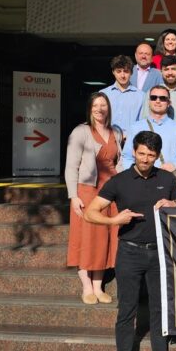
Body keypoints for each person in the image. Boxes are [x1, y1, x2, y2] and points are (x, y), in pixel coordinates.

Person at [83, 131, 176, 351]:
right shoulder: (119, 181)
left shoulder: (166, 178)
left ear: (157, 155)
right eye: (141, 153)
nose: (145, 159)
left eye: (151, 155)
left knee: (159, 307)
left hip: (160, 253)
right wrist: (113, 220)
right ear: (134, 152)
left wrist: (173, 205)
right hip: (129, 252)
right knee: (126, 309)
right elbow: (91, 213)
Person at [65, 92, 123, 305]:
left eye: (103, 105)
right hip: (87, 190)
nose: (100, 109)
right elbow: (71, 166)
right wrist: (73, 196)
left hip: (111, 192)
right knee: (87, 236)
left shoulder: (115, 131)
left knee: (105, 237)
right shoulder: (80, 131)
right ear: (90, 108)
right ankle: (86, 286)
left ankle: (98, 286)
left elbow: (119, 161)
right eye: (96, 105)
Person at [122, 86, 176, 174]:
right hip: (140, 179)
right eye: (153, 97)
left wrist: (174, 165)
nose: (158, 101)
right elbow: (127, 156)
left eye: (162, 98)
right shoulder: (135, 127)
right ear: (149, 102)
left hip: (167, 178)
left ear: (169, 103)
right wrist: (134, 173)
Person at [100, 55, 145, 132]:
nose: (122, 75)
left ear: (131, 73)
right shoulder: (103, 94)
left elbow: (142, 123)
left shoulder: (141, 96)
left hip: (131, 140)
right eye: (119, 71)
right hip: (107, 139)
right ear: (113, 72)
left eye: (126, 71)